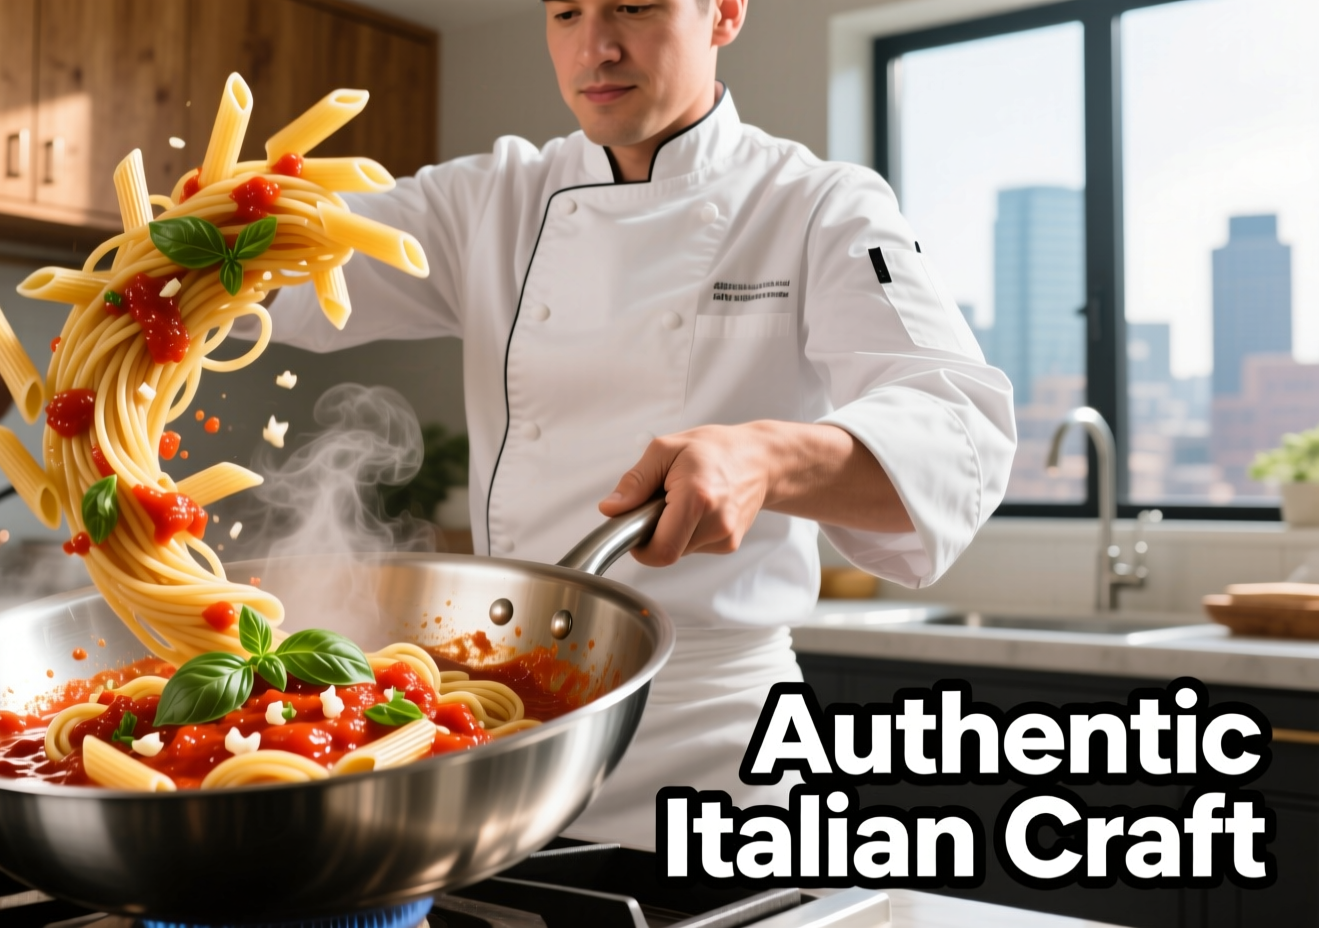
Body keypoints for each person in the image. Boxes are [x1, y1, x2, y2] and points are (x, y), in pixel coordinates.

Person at [262, 0, 1017, 847]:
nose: (597, 46)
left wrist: (769, 456)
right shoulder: (487, 201)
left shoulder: (817, 206)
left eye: (634, 5)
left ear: (725, 13)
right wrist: (203, 241)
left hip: (718, 745)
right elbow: (282, 275)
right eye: (567, 12)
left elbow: (960, 432)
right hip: (509, 739)